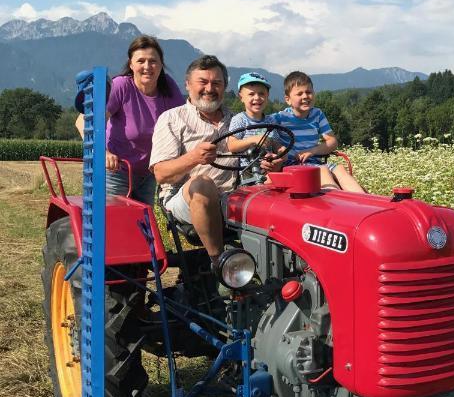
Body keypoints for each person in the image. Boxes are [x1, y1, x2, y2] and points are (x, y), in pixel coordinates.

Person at [150, 56, 281, 274]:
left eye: (216, 83)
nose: (209, 88)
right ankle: (222, 265)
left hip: (235, 196)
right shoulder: (172, 119)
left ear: (225, 87)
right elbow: (161, 174)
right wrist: (193, 158)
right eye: (203, 82)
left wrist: (272, 163)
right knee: (203, 184)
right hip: (184, 199)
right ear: (188, 85)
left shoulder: (238, 119)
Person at [75, 35, 184, 205]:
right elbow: (83, 120)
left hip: (148, 173)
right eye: (141, 61)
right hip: (116, 170)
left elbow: (184, 121)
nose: (147, 66)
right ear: (131, 64)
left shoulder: (168, 88)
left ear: (161, 64)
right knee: (113, 221)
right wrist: (103, 152)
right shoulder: (121, 86)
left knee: (141, 225)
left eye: (153, 61)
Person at [272, 71, 364, 192]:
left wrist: (312, 151)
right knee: (323, 171)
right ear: (288, 99)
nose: (305, 96)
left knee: (340, 169)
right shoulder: (280, 118)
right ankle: (337, 203)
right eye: (299, 93)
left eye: (309, 92)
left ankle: (363, 201)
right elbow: (263, 132)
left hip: (315, 162)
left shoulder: (317, 114)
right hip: (292, 166)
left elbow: (332, 141)